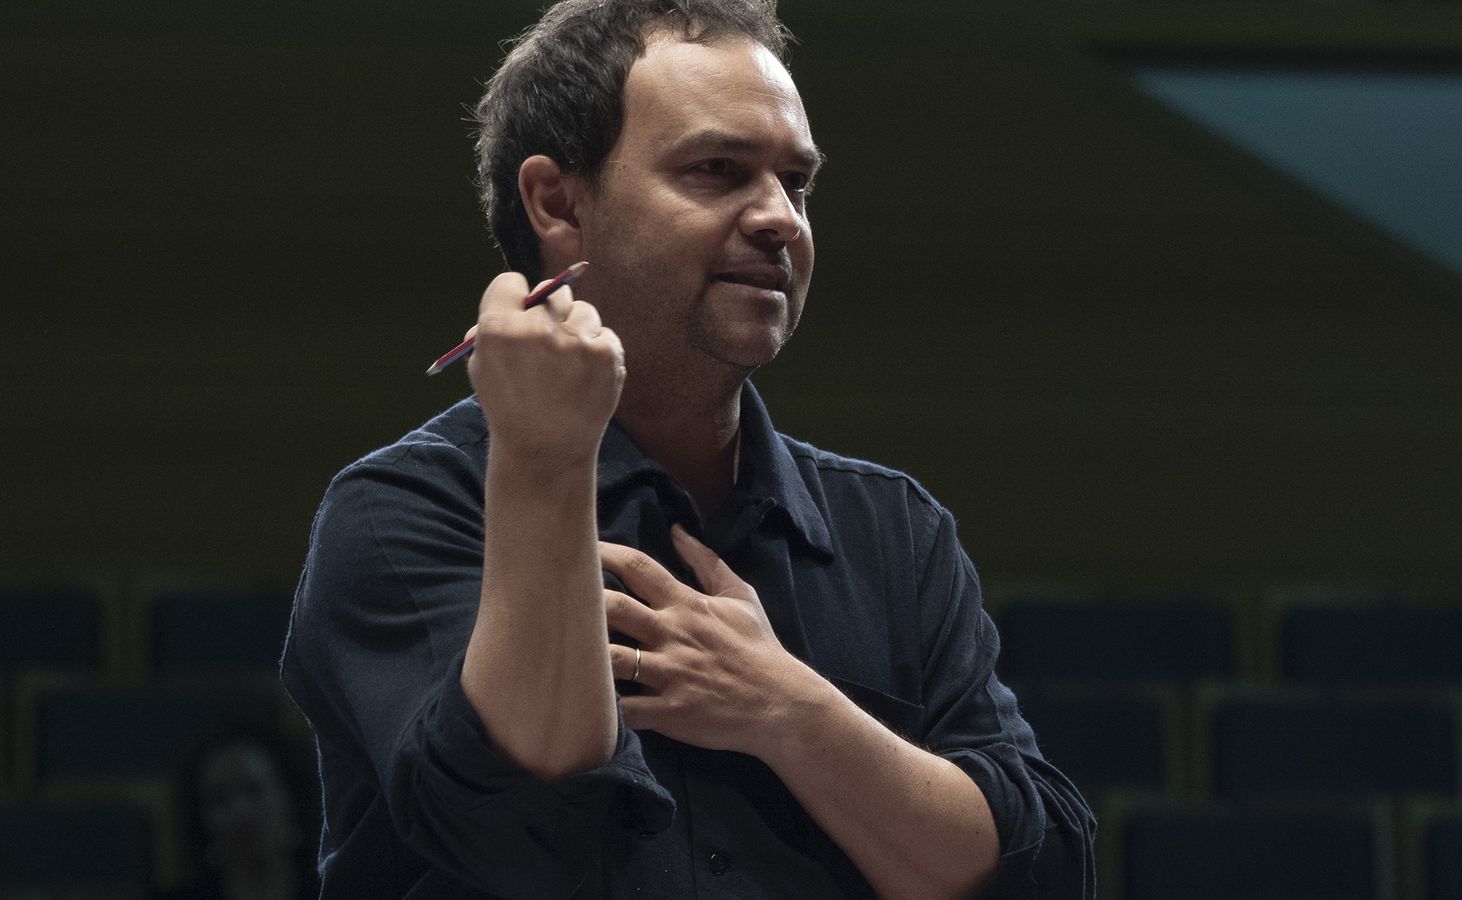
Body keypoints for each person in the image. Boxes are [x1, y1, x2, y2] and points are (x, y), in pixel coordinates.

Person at [280, 1, 1095, 897]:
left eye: (797, 182)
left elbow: (1042, 872)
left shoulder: (895, 529)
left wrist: (789, 711)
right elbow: (521, 836)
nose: (781, 218)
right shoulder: (400, 511)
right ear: (557, 202)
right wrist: (546, 459)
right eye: (718, 170)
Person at [156, 728, 320, 900]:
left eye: (253, 790)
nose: (240, 811)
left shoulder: (334, 890)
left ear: (288, 797)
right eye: (219, 799)